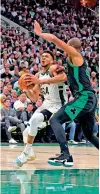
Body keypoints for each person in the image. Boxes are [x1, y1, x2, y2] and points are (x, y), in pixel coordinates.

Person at [31, 21, 99, 167]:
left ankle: (65, 154)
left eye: (67, 47)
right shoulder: (71, 63)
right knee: (88, 134)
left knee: (55, 120)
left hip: (85, 98)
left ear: (72, 47)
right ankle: (66, 155)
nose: (64, 50)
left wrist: (40, 34)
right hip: (88, 99)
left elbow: (55, 40)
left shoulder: (76, 55)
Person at [14, 50, 68, 167]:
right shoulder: (38, 75)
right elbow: (35, 98)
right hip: (46, 104)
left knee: (34, 120)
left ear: (52, 60)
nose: (43, 58)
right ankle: (30, 154)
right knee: (25, 132)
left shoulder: (54, 68)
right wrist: (26, 89)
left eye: (46, 56)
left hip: (58, 105)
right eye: (42, 56)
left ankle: (25, 154)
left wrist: (40, 81)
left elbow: (63, 77)